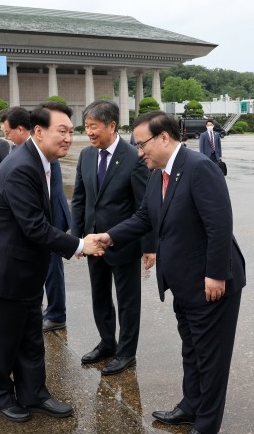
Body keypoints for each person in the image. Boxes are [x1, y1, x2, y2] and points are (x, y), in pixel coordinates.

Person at [96, 111, 246, 434]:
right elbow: (143, 219)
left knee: (211, 359)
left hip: (210, 284)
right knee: (191, 350)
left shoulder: (199, 168)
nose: (139, 152)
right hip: (183, 283)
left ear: (164, 137)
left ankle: (206, 425)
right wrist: (109, 236)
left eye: (142, 144)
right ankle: (190, 405)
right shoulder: (158, 173)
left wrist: (217, 274)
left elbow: (220, 225)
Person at [0, 102, 105, 423]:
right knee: (2, 339)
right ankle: (0, 396)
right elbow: (35, 226)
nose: (69, 138)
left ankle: (33, 393)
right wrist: (80, 244)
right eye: (62, 131)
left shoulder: (42, 159)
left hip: (24, 267)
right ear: (39, 132)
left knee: (30, 335)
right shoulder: (22, 166)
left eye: (72, 132)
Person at [71, 99, 155, 376]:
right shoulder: (86, 155)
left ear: (111, 125)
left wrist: (149, 247)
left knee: (128, 301)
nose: (90, 132)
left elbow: (145, 207)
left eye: (94, 127)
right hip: (94, 242)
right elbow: (80, 200)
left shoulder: (134, 158)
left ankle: (126, 352)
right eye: (87, 127)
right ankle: (107, 342)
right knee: (100, 296)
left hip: (124, 243)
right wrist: (78, 240)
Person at [0, 106, 71, 332]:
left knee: (51, 266)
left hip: (49, 217)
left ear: (23, 129)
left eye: (8, 132)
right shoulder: (21, 152)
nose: (7, 136)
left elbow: (49, 195)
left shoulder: (47, 153)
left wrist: (77, 245)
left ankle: (57, 313)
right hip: (37, 219)